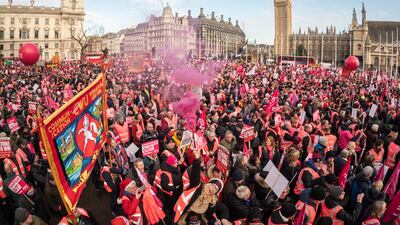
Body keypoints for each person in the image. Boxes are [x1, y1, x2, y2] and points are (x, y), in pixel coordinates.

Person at [173, 150, 230, 225]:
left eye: (216, 189)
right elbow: (195, 175)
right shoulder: (197, 187)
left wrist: (224, 219)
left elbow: (224, 209)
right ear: (208, 183)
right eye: (212, 186)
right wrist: (196, 159)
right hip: (184, 216)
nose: (213, 189)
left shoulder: (212, 200)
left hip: (200, 220)